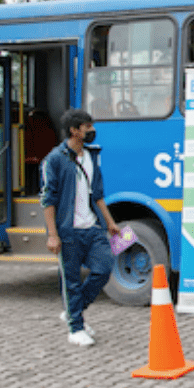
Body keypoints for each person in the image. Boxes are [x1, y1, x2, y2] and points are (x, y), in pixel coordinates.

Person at [41, 108, 120, 347]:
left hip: (92, 227)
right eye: (87, 127)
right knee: (72, 281)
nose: (92, 130)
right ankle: (75, 328)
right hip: (68, 232)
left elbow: (97, 194)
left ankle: (73, 311)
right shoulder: (54, 160)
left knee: (104, 268)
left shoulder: (92, 156)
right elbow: (47, 200)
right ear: (75, 131)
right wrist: (53, 235)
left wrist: (110, 222)